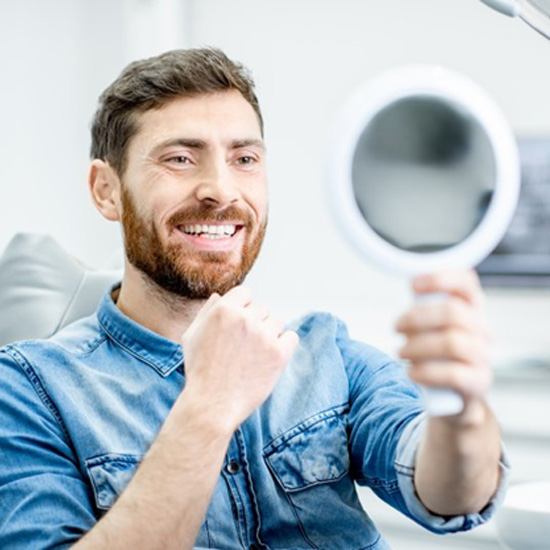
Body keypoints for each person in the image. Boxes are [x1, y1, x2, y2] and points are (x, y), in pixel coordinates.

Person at [0, 48, 507, 549]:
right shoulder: (27, 389)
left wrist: (461, 412)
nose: (221, 190)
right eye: (180, 158)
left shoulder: (326, 353)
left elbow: (453, 496)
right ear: (106, 190)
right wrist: (208, 406)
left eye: (244, 159)